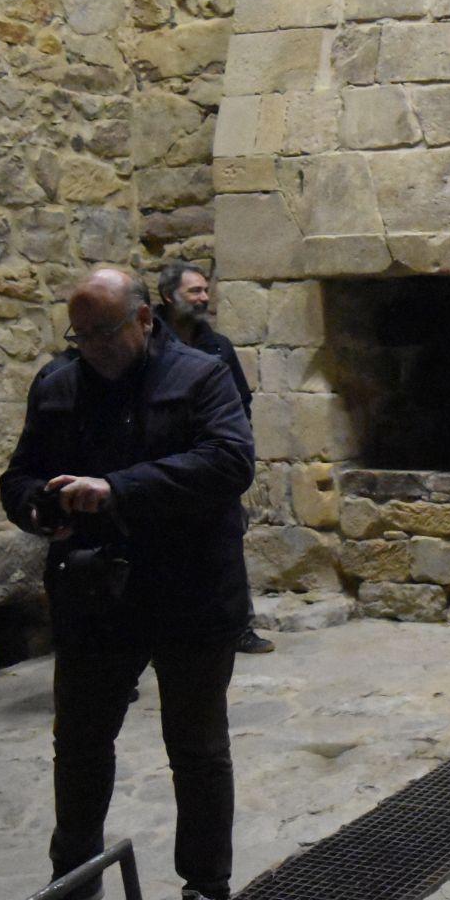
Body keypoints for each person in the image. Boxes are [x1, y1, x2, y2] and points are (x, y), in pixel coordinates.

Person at [0, 267, 254, 900]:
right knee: (79, 743)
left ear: (144, 319)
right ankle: (74, 877)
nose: (90, 347)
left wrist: (116, 489)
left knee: (197, 750)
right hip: (95, 596)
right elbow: (19, 475)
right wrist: (38, 506)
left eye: (103, 332)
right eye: (78, 335)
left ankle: (207, 892)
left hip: (190, 591)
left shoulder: (202, 375)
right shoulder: (58, 383)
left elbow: (230, 462)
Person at [156, 260, 271, 656]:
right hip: (163, 467)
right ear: (169, 296)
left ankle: (238, 627)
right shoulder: (149, 343)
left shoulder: (217, 346)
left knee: (227, 550)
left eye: (206, 290)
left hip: (211, 466)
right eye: (195, 292)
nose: (204, 298)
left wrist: (234, 449)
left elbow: (241, 402)